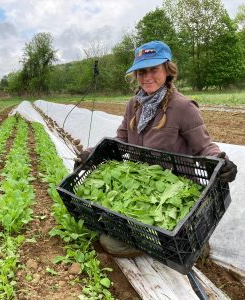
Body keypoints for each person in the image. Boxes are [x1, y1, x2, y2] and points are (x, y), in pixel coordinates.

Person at [74, 40, 238, 257]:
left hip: (176, 187)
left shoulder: (182, 107)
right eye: (141, 71)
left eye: (154, 69)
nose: (147, 76)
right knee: (109, 240)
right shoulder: (133, 104)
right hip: (144, 186)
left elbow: (204, 146)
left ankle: (190, 238)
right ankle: (161, 242)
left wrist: (221, 161)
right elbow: (120, 138)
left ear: (167, 70)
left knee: (135, 241)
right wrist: (92, 153)